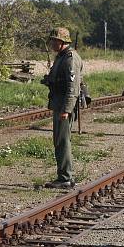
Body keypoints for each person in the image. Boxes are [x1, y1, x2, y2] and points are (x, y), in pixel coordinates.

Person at [41, 27, 83, 189]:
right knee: (59, 141)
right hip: (58, 103)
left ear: (61, 41)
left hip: (63, 105)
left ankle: (65, 177)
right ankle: (64, 175)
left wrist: (66, 109)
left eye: (53, 40)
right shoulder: (62, 57)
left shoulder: (70, 58)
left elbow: (72, 87)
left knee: (63, 141)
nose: (51, 43)